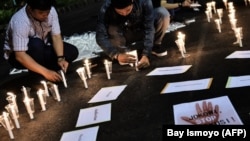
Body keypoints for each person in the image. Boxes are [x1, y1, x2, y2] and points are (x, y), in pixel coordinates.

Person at [3, 0, 79, 82]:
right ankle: (38, 76)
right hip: (18, 56)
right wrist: (46, 72)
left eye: (47, 12)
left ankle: (50, 70)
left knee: (71, 52)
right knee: (36, 44)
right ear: (30, 9)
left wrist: (60, 58)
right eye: (41, 12)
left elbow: (56, 36)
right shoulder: (20, 21)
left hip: (42, 47)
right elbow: (20, 56)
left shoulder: (51, 11)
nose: (45, 15)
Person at [96, 0, 170, 69]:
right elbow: (100, 36)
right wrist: (116, 55)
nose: (124, 14)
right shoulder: (106, 8)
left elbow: (149, 27)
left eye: (128, 10)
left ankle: (154, 46)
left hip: (141, 28)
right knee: (111, 28)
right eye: (120, 12)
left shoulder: (144, 1)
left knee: (162, 13)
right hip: (122, 33)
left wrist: (146, 54)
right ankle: (124, 53)